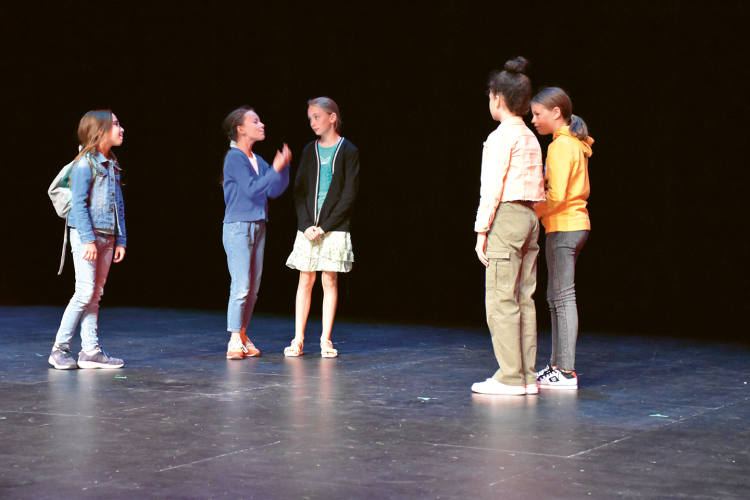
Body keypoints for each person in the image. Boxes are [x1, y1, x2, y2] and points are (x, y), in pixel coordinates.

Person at [471, 58, 545, 395]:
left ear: (496, 99)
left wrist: (481, 230)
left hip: (508, 217)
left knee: (501, 299)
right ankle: (527, 377)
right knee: (523, 298)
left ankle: (510, 378)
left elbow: (492, 187)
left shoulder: (500, 137)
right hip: (531, 218)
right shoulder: (530, 136)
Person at [49, 110, 127, 370]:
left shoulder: (112, 164)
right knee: (84, 292)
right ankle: (59, 349)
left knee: (95, 294)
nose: (121, 128)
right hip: (88, 236)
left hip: (107, 236)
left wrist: (121, 239)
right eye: (115, 124)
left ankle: (90, 351)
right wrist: (89, 240)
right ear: (100, 130)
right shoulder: (85, 163)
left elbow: (119, 206)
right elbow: (79, 206)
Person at [284, 97, 359, 358]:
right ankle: (298, 338)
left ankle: (325, 339)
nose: (313, 122)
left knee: (329, 278)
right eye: (310, 118)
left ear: (332, 117)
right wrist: (306, 225)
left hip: (335, 226)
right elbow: (299, 191)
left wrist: (325, 226)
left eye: (317, 116)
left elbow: (349, 194)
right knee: (306, 277)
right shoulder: (308, 150)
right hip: (309, 227)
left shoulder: (348, 150)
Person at [530, 87, 593, 390]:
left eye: (538, 114)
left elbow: (557, 195)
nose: (533, 120)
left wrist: (532, 210)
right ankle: (557, 366)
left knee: (562, 297)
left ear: (556, 113)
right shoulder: (571, 143)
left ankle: (565, 371)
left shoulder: (560, 146)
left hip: (564, 224)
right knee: (556, 297)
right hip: (571, 224)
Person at [222, 106, 290, 359]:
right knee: (240, 285)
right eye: (255, 121)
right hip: (238, 227)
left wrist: (281, 169)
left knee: (253, 289)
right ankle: (233, 339)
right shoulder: (235, 157)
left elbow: (271, 190)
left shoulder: (258, 160)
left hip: (258, 225)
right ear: (241, 129)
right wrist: (275, 168)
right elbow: (251, 190)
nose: (261, 125)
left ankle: (242, 334)